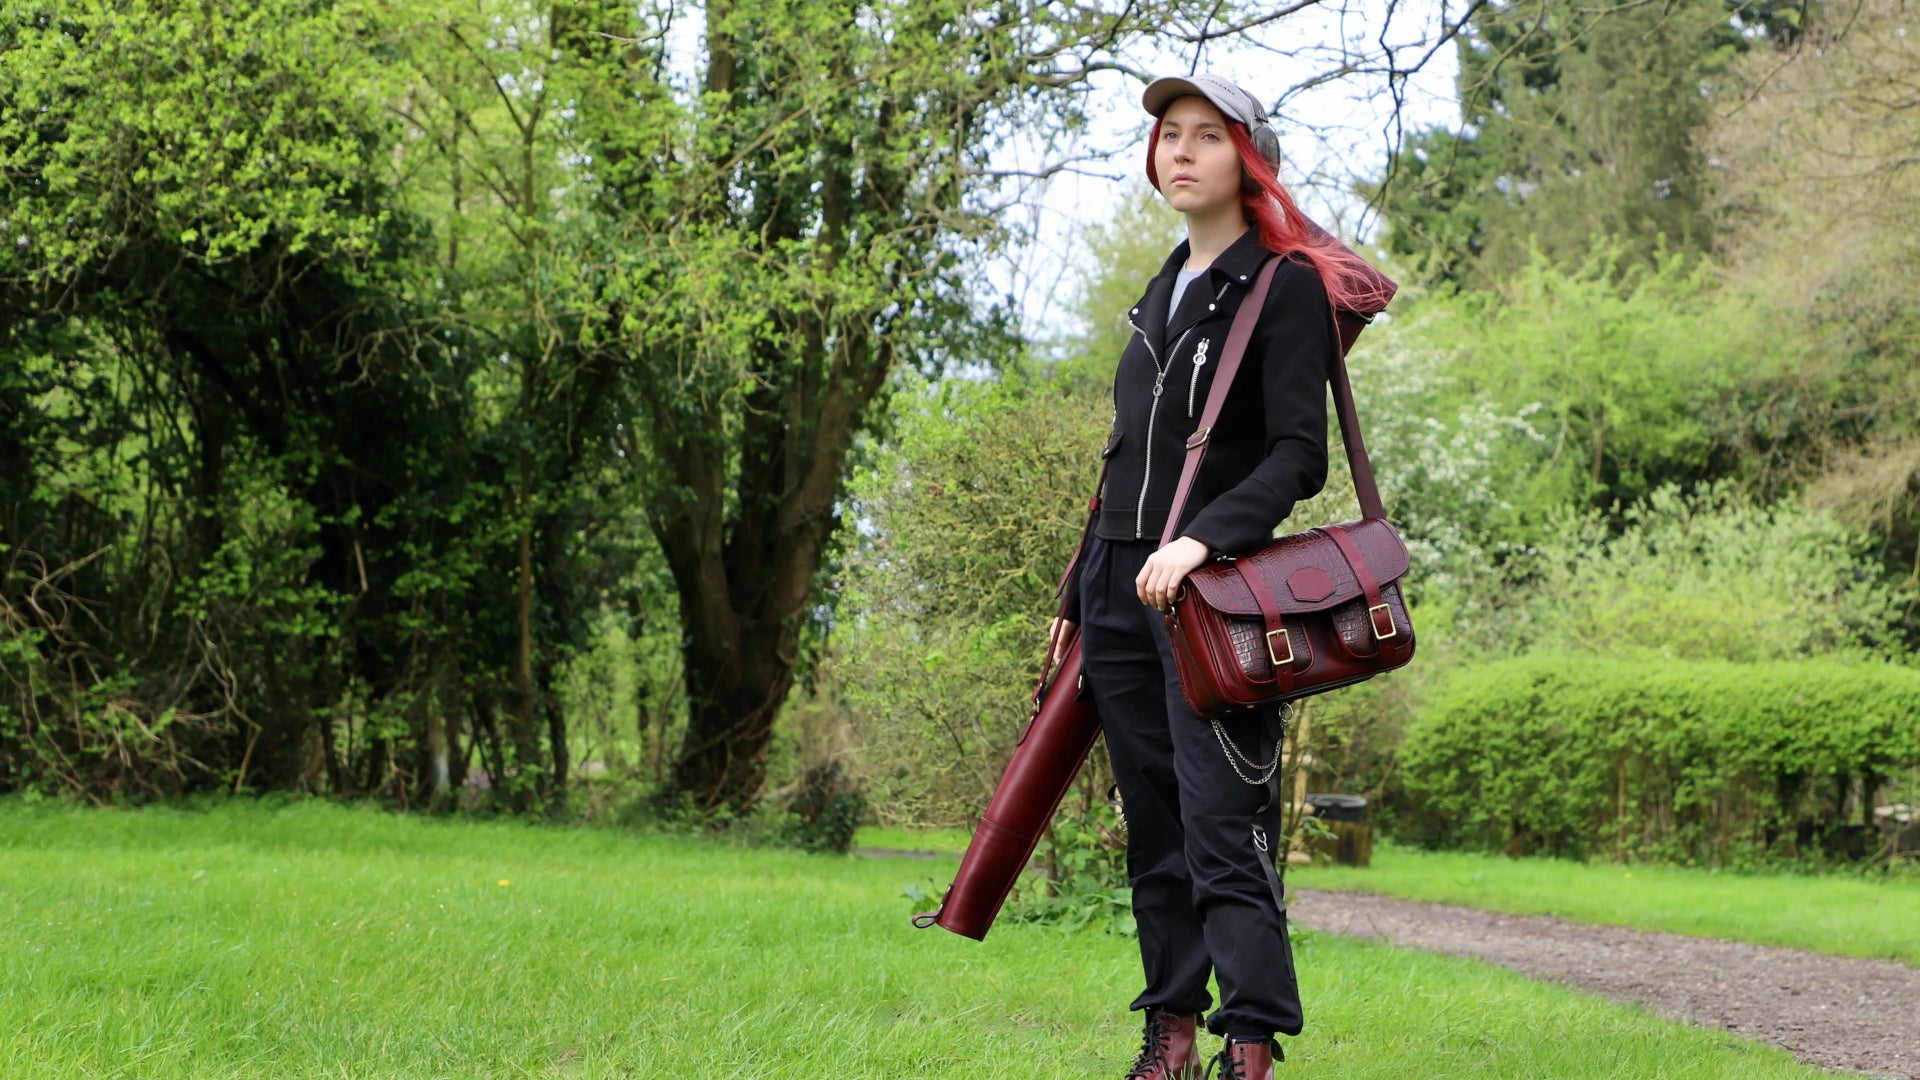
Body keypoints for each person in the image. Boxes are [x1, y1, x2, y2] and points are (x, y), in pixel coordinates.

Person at [1048, 74, 1387, 1079]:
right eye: (1168, 136)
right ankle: (1171, 1032)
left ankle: (1251, 1042)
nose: (1180, 151)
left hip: (1211, 599)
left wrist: (1201, 541)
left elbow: (1296, 455)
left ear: (1249, 159)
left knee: (1220, 822)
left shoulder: (1281, 287)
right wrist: (1078, 596)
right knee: (1151, 826)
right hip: (1117, 589)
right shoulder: (1162, 287)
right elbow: (1126, 458)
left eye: (1206, 135)